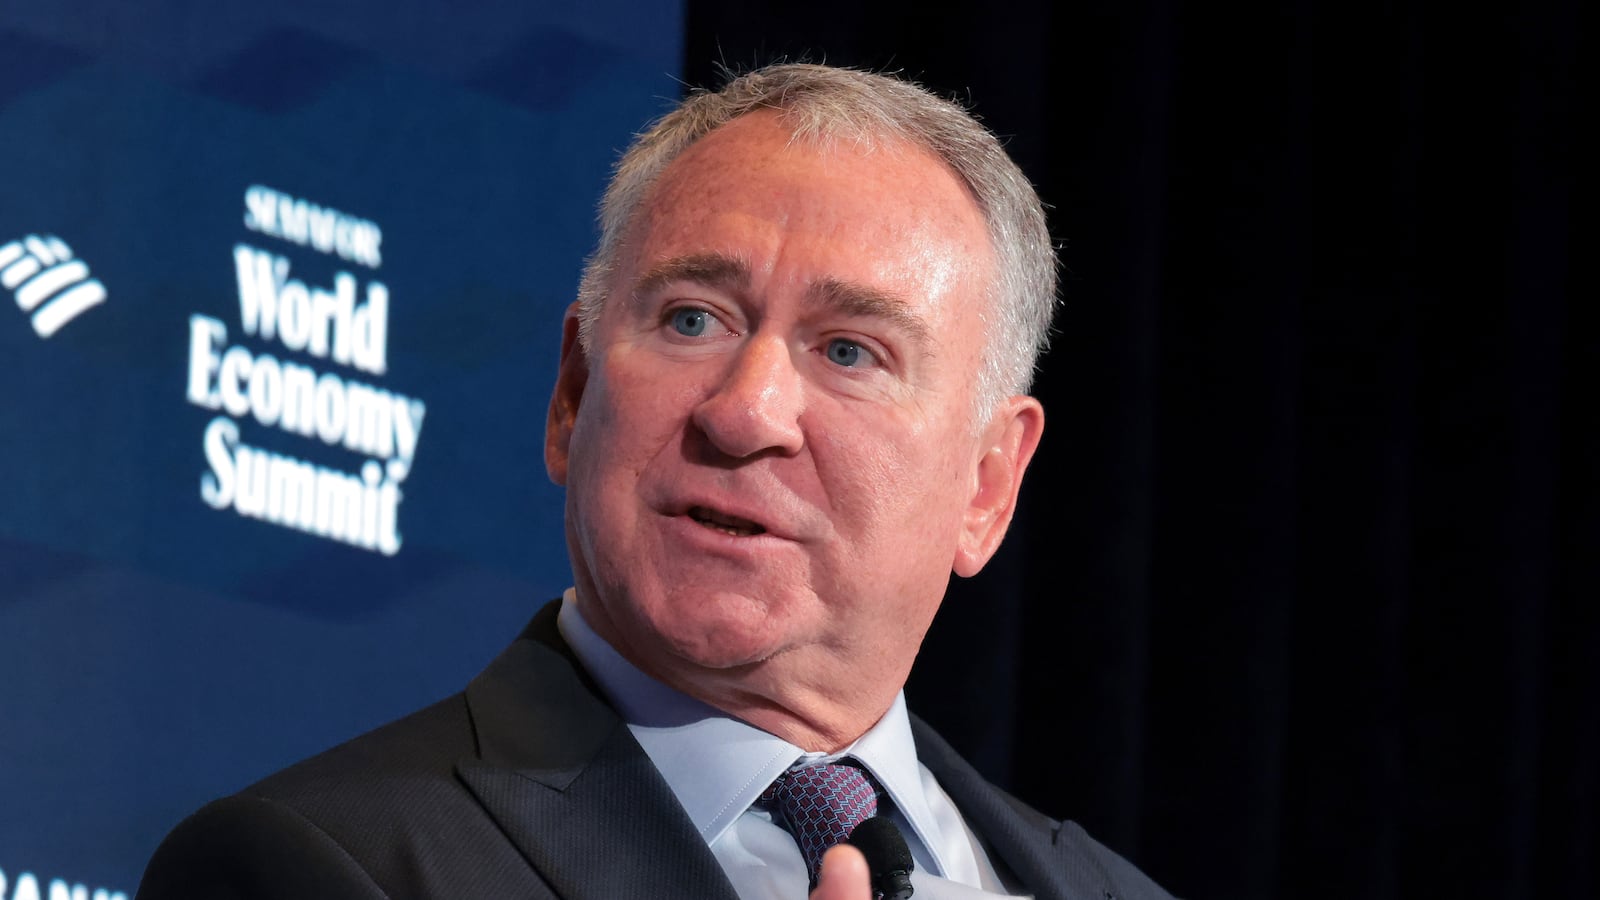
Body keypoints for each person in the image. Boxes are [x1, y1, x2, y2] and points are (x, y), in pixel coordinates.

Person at [137, 63, 1176, 900]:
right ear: (572, 394)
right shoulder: (312, 865)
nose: (745, 412)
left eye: (850, 351)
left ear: (987, 486)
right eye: (692, 319)